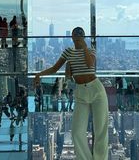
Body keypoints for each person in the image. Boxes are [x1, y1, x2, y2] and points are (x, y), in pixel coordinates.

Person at [34, 27, 108, 160]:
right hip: (81, 92)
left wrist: (84, 46)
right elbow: (55, 68)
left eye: (81, 35)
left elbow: (90, 63)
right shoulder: (68, 52)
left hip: (97, 90)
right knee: (76, 132)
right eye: (76, 34)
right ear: (72, 37)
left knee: (101, 130)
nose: (78, 37)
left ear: (84, 37)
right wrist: (39, 74)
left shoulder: (90, 50)